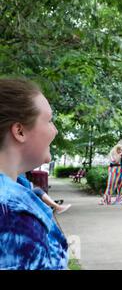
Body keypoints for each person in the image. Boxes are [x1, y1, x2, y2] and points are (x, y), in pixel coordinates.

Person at [0, 78, 68, 269]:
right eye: (48, 120)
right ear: (19, 131)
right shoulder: (11, 213)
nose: (54, 131)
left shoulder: (18, 190)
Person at [99, 141, 122, 205]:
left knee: (121, 187)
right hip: (114, 172)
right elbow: (115, 162)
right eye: (118, 149)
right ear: (116, 149)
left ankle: (119, 201)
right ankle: (106, 200)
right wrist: (119, 156)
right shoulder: (112, 154)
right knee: (111, 186)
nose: (120, 150)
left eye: (121, 149)